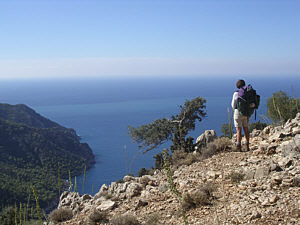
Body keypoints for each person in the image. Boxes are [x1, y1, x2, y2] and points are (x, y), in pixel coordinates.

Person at [231, 79, 250, 151]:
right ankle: (247, 145)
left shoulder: (236, 93)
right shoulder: (247, 92)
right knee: (246, 128)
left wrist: (235, 110)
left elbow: (233, 105)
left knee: (238, 130)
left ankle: (239, 147)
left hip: (238, 112)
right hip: (246, 113)